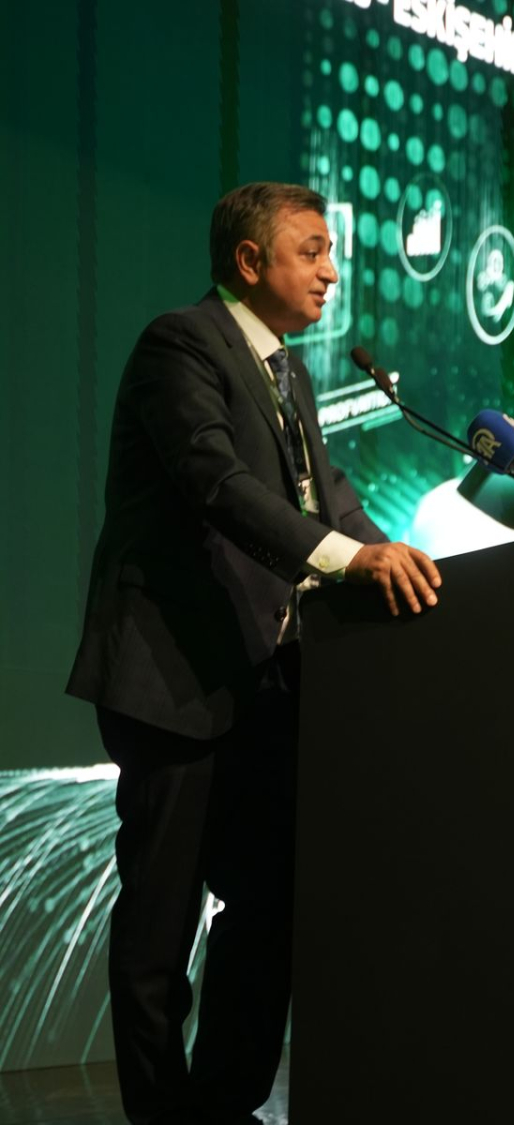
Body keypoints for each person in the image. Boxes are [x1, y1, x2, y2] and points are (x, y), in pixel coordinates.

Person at [67, 182, 442, 1125]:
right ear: (248, 261)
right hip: (173, 681)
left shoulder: (290, 374)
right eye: (312, 251)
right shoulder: (180, 344)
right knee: (160, 922)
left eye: (330, 253)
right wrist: (351, 558)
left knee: (268, 908)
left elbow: (334, 503)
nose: (331, 271)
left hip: (264, 692)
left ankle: (222, 1105)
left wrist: (402, 563)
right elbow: (218, 483)